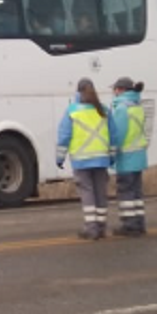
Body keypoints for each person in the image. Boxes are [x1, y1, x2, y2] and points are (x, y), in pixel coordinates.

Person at [55, 77, 114, 240]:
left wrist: (59, 158)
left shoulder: (72, 111)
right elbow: (113, 134)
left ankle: (91, 228)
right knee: (100, 192)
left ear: (78, 92)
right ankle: (101, 227)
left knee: (87, 193)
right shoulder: (104, 110)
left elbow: (64, 136)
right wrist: (112, 156)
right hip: (101, 159)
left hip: (81, 160)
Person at [108, 76, 149, 235]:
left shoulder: (121, 109)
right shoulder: (137, 107)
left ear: (121, 90)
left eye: (115, 89)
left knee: (126, 193)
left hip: (126, 158)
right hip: (138, 157)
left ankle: (129, 225)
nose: (114, 92)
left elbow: (118, 135)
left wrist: (111, 154)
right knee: (137, 194)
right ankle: (139, 223)